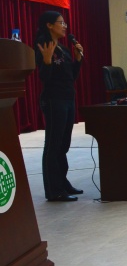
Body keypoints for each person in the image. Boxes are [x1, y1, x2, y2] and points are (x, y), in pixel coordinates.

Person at [33, 11, 84, 202]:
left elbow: (71, 76)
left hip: (68, 98)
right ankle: (54, 190)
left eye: (65, 23)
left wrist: (78, 60)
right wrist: (46, 62)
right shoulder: (43, 45)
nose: (64, 26)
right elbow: (44, 78)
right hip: (54, 100)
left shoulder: (63, 48)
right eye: (61, 23)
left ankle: (63, 183)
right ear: (49, 25)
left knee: (63, 145)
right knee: (53, 145)